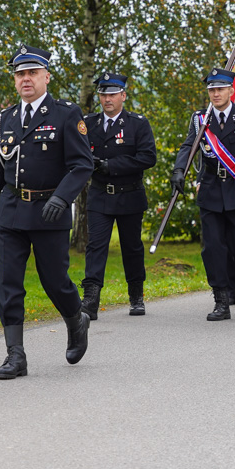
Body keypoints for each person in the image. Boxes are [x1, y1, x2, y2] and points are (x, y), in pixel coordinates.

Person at [0, 44, 94, 379]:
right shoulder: (4, 119)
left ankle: (76, 318)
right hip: (10, 213)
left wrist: (62, 199)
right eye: (20, 74)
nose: (26, 79)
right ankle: (15, 355)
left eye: (32, 73)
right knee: (7, 283)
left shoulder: (65, 114)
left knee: (54, 281)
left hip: (50, 213)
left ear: (47, 76)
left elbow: (82, 165)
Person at [171, 68, 235, 320]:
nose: (215, 94)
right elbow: (188, 146)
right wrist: (179, 169)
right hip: (211, 190)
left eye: (220, 89)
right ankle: (221, 300)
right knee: (213, 248)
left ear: (231, 91)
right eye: (211, 90)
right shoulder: (200, 119)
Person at [80, 72, 157, 320]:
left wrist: (111, 165)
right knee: (95, 247)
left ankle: (136, 296)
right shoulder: (88, 123)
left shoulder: (137, 124)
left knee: (132, 248)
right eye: (103, 94)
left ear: (123, 95)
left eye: (112, 94)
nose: (107, 99)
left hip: (129, 195)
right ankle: (91, 299)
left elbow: (148, 157)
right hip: (100, 195)